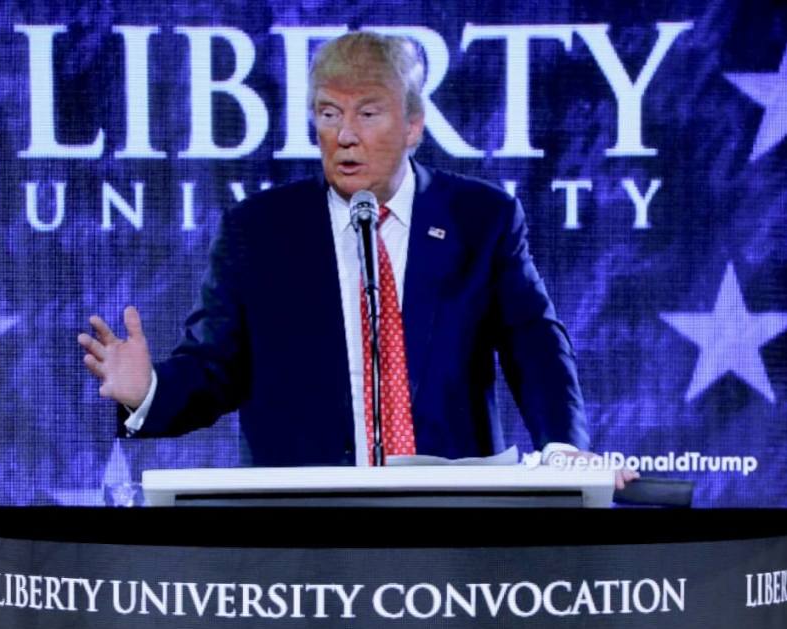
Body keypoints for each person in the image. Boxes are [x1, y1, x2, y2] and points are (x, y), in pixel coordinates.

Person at [78, 32, 628, 480]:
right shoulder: (260, 232)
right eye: (328, 113)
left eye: (367, 113)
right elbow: (213, 368)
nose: (344, 135)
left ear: (413, 125)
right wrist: (148, 391)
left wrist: (563, 448)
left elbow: (535, 345)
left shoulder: (480, 219)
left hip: (450, 523)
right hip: (305, 531)